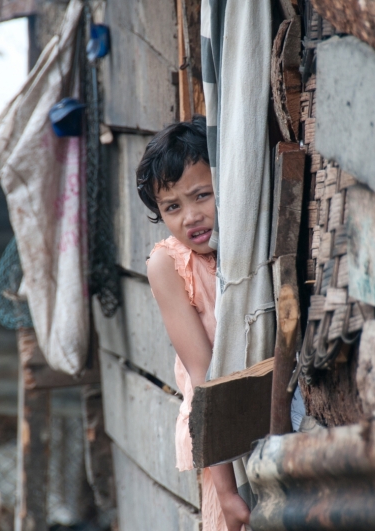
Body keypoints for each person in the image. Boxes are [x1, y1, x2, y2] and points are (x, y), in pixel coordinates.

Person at [137, 116, 249, 531]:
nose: (191, 218)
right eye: (172, 207)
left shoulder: (244, 239)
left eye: (202, 196)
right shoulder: (167, 264)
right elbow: (202, 377)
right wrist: (227, 493)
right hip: (222, 442)